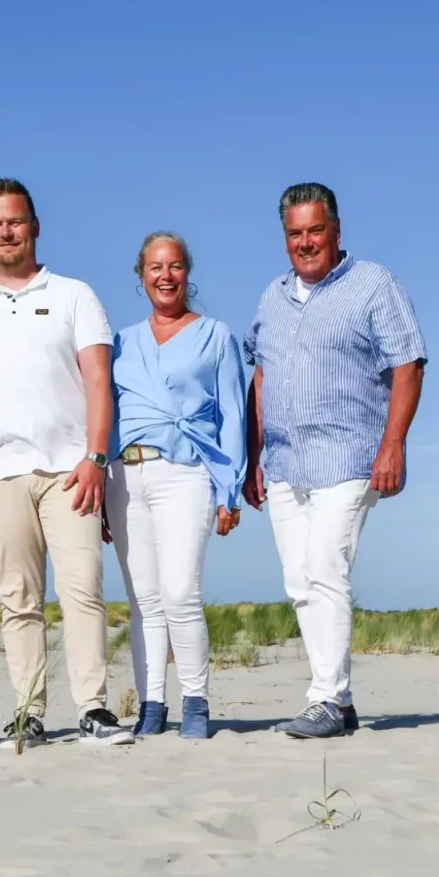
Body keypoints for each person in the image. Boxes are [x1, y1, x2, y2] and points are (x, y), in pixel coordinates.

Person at [0, 178, 135, 748]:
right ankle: (28, 712)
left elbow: (100, 383)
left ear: (34, 226)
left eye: (16, 221)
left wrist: (96, 456)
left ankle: (94, 708)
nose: (7, 232)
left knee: (82, 589)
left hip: (71, 470)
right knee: (18, 600)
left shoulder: (74, 295)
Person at [243, 183, 427, 739]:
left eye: (315, 231)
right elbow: (261, 376)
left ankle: (327, 698)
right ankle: (337, 703)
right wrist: (253, 456)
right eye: (295, 234)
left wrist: (393, 445)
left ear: (337, 231)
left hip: (348, 455)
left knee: (327, 567)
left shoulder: (373, 284)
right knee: (299, 580)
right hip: (282, 461)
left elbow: (409, 363)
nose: (305, 243)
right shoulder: (271, 297)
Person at [106, 231, 246, 739]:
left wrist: (231, 490)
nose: (165, 276)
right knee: (142, 597)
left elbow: (233, 413)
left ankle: (195, 701)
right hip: (124, 475)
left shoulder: (216, 335)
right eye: (155, 268)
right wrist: (102, 485)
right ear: (141, 276)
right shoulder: (121, 341)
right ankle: (150, 705)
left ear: (187, 272)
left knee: (181, 591)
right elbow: (109, 414)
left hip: (186, 472)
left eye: (175, 266)